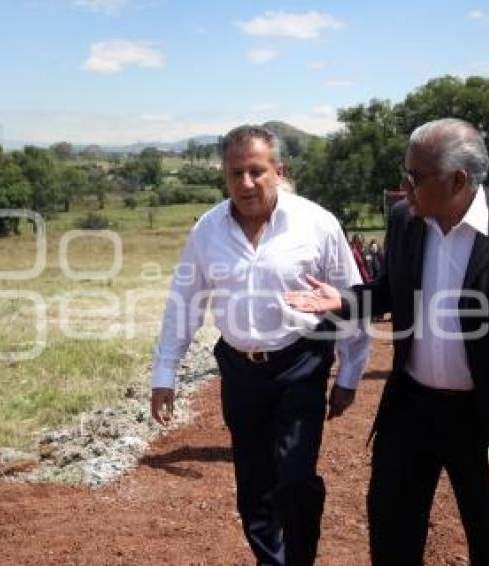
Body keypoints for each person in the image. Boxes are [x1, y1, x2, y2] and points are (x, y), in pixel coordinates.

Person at [285, 118, 489, 565]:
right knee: (392, 537)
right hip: (412, 411)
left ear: (458, 179)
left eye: (414, 177)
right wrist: (342, 300)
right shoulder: (406, 221)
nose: (404, 187)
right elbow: (388, 290)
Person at [150, 125, 368, 565]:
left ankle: (300, 559)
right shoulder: (208, 231)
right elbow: (185, 303)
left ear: (279, 171)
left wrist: (349, 373)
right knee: (253, 482)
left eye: (256, 171)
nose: (246, 183)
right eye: (235, 173)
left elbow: (352, 297)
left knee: (295, 475)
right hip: (239, 370)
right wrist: (164, 374)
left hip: (301, 361)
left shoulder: (317, 223)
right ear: (224, 176)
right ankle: (271, 560)